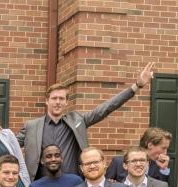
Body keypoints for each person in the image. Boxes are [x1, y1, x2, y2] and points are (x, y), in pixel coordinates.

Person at [18, 62, 156, 179]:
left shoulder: (78, 120)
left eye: (61, 99)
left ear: (66, 102)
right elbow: (8, 144)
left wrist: (136, 86)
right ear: (47, 101)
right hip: (39, 184)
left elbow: (105, 108)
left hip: (73, 184)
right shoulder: (32, 126)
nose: (58, 102)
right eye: (54, 98)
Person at [106, 127, 172, 184]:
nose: (165, 153)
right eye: (163, 148)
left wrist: (163, 169)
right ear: (150, 145)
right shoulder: (118, 162)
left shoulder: (159, 166)